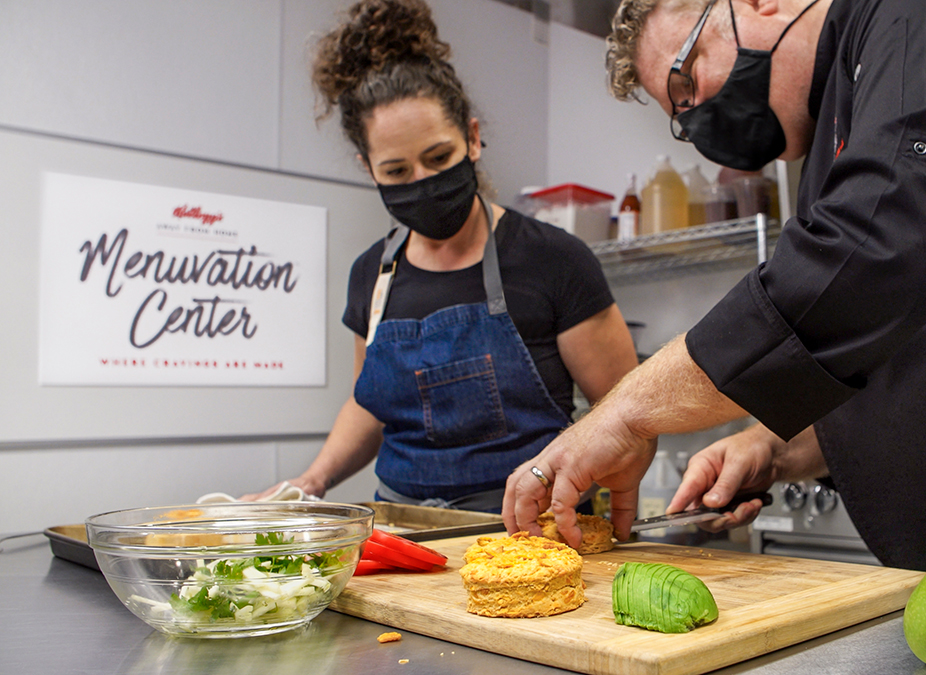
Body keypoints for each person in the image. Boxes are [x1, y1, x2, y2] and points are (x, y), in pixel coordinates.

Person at [503, 0, 926, 618]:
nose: (696, 120)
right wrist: (780, 449)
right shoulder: (847, 122)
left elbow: (879, 248)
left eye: (687, 81)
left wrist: (625, 411)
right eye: (678, 119)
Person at [245, 0, 638, 512]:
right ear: (369, 169)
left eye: (437, 158)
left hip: (527, 531)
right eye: (397, 171)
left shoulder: (553, 260)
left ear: (472, 139)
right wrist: (310, 482)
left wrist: (607, 497)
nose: (423, 183)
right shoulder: (373, 276)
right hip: (399, 527)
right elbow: (370, 405)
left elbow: (626, 411)